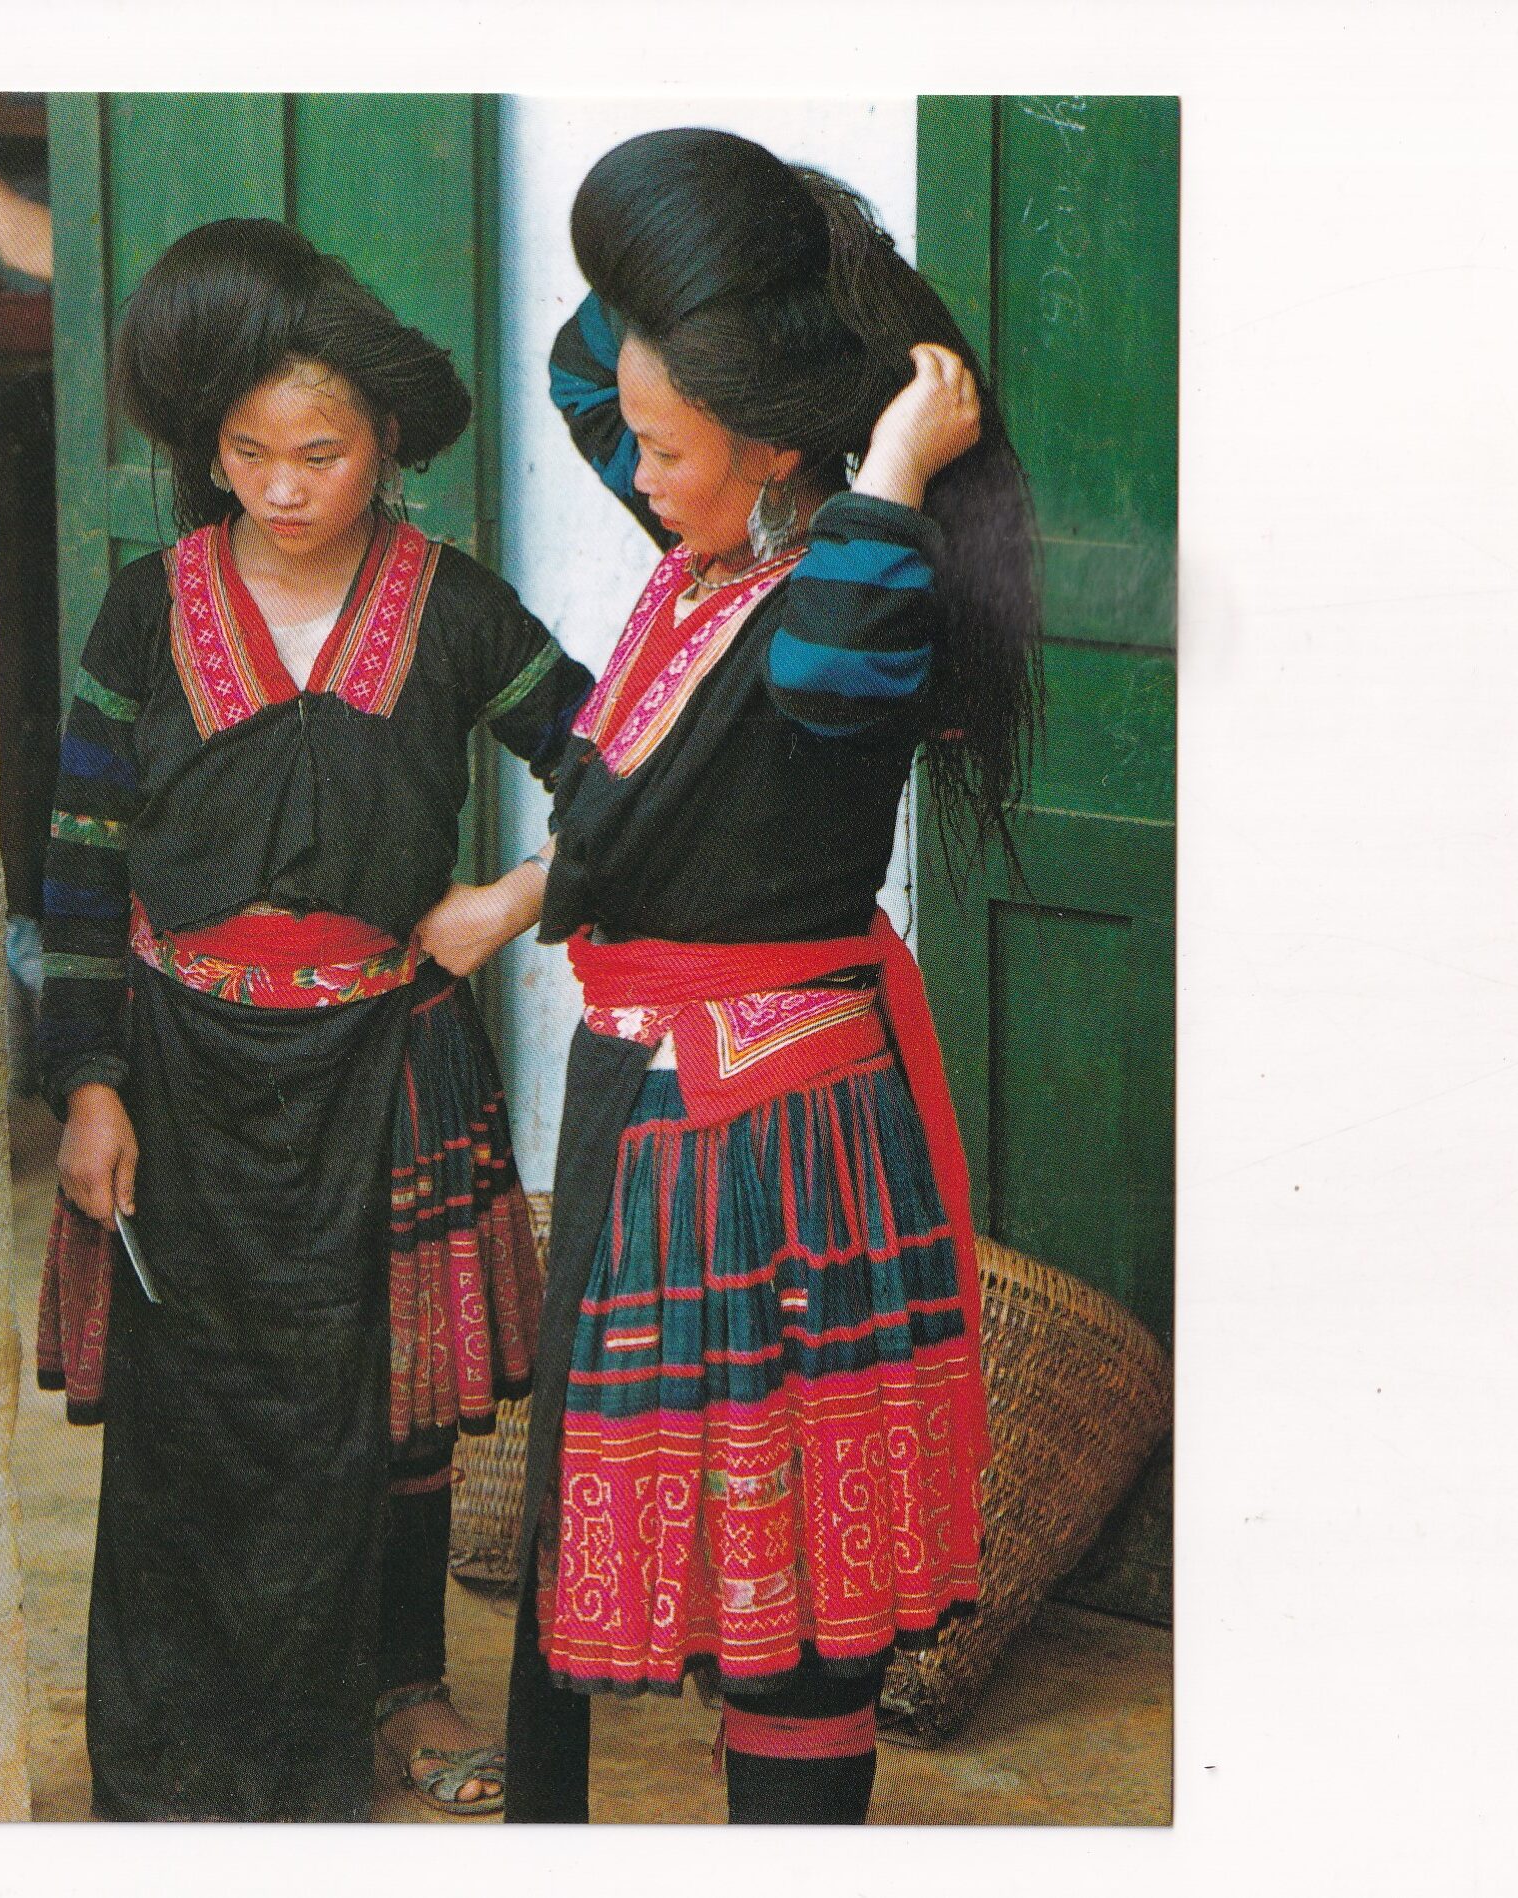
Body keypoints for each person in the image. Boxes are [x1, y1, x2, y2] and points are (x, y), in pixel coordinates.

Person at [502, 128, 1042, 1825]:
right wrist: (769, 254)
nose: (637, 471)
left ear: (780, 445)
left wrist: (895, 462)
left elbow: (829, 666)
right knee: (712, 1550)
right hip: (664, 1115)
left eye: (666, 445)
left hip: (776, 1148)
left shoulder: (840, 598)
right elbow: (590, 368)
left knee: (799, 1592)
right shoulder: (715, 537)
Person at [36, 218, 592, 1822]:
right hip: (180, 1070)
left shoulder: (456, 609)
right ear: (208, 450)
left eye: (321, 455)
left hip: (386, 1059)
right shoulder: (145, 611)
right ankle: (181, 1743)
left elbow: (622, 765)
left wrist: (515, 899)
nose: (281, 487)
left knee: (391, 1399)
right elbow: (79, 861)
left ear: (389, 444)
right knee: (188, 1410)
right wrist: (88, 1081)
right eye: (247, 453)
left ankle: (396, 1690)